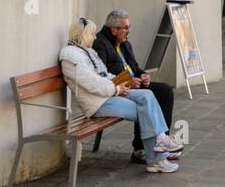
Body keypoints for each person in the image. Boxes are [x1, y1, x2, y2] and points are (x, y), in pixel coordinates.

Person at [59, 19, 182, 173]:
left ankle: (160, 141)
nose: (95, 37)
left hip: (107, 96)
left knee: (147, 95)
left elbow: (103, 74)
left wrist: (125, 83)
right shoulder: (70, 56)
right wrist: (117, 89)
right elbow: (92, 83)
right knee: (145, 109)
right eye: (92, 34)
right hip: (97, 104)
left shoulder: (86, 51)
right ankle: (157, 158)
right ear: (83, 34)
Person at [91, 10, 176, 162]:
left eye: (129, 27)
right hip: (118, 89)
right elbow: (102, 75)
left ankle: (160, 142)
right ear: (114, 30)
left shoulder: (124, 43)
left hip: (134, 85)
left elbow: (135, 68)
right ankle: (141, 148)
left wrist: (143, 75)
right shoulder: (100, 44)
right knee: (146, 98)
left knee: (164, 91)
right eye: (126, 28)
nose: (129, 31)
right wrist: (127, 81)